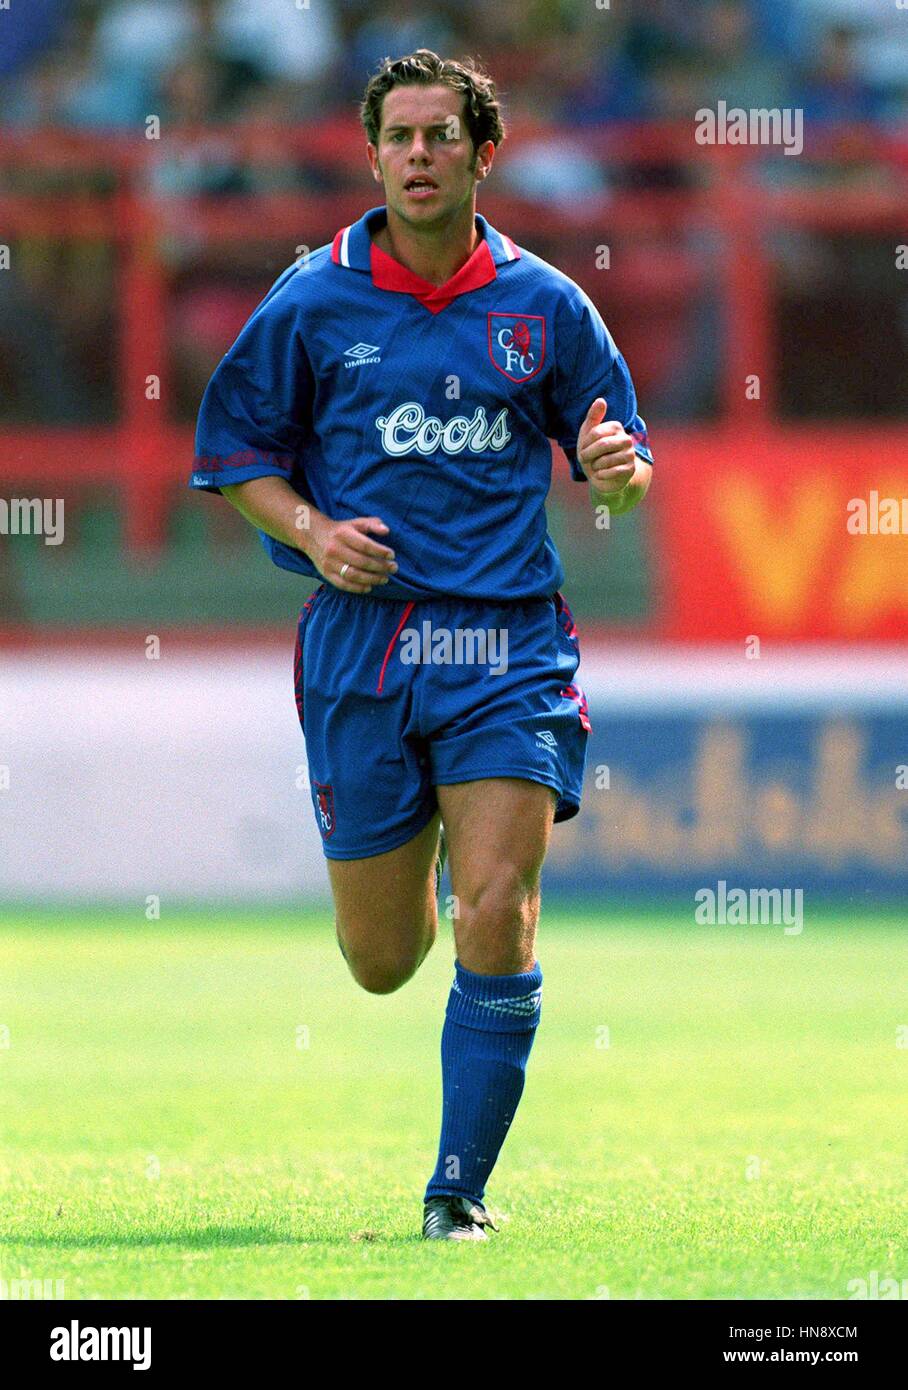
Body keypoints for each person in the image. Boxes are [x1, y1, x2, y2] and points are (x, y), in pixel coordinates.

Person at [189, 50, 653, 1241]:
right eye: (397, 136)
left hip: (504, 645)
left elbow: (624, 462)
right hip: (363, 649)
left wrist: (614, 476)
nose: (418, 155)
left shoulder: (545, 304)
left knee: (497, 902)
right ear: (372, 152)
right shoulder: (309, 299)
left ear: (482, 153)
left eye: (441, 135)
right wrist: (310, 530)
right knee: (383, 958)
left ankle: (457, 1192)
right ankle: (421, 878)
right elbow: (235, 453)